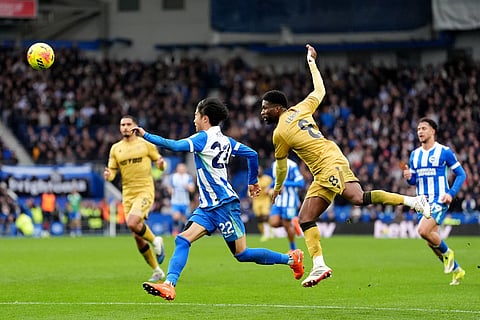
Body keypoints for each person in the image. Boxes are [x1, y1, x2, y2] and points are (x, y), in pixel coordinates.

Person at [260, 44, 431, 288]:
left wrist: (277, 187)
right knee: (306, 217)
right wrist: (311, 62)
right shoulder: (302, 107)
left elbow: (281, 166)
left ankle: (414, 201)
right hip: (325, 166)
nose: (263, 112)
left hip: (328, 161)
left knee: (358, 198)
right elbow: (320, 89)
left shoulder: (280, 133)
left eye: (266, 108)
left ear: (278, 108)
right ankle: (319, 265)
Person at [133, 97, 304, 301]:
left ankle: (291, 259)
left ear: (205, 118)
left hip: (224, 205)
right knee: (182, 239)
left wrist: (146, 135)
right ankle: (169, 285)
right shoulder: (226, 141)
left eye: (196, 115)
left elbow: (174, 146)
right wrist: (252, 181)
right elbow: (251, 154)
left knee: (242, 254)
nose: (194, 119)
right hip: (208, 207)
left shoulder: (202, 138)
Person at [403, 118, 467, 285]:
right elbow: (415, 180)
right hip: (422, 202)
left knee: (423, 231)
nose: (420, 132)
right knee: (431, 241)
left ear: (433, 131)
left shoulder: (444, 152)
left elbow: (461, 174)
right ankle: (457, 270)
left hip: (439, 199)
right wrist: (410, 178)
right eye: (418, 129)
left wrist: (451, 193)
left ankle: (448, 254)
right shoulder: (414, 155)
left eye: (423, 128)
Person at [104, 115, 166, 283]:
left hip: (145, 190)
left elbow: (160, 162)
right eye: (122, 124)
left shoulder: (146, 144)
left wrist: (161, 165)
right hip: (128, 195)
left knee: (132, 223)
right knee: (137, 235)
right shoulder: (116, 148)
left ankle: (156, 240)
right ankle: (157, 270)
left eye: (128, 124)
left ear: (135, 126)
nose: (125, 127)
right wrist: (109, 176)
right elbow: (112, 172)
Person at [270, 158, 305, 251]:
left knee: (287, 224)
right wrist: (269, 187)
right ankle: (293, 223)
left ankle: (293, 249)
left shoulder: (292, 165)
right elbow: (275, 181)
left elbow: (301, 183)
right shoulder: (274, 164)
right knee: (273, 222)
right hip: (278, 200)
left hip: (290, 200)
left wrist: (285, 184)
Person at [166, 163, 196, 235]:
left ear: (185, 169)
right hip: (175, 201)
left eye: (183, 168)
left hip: (185, 201)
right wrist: (170, 190)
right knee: (176, 216)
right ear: (177, 169)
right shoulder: (173, 177)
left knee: (185, 218)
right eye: (180, 168)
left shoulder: (188, 177)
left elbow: (192, 189)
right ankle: (175, 231)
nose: (181, 169)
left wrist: (188, 187)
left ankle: (185, 232)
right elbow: (169, 186)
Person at [251, 165, 273, 241]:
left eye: (259, 170)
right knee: (259, 218)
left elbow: (272, 188)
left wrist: (270, 192)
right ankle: (264, 233)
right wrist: (252, 194)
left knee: (265, 216)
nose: (258, 171)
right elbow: (249, 191)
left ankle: (268, 232)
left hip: (265, 199)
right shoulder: (253, 180)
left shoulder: (267, 179)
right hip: (257, 200)